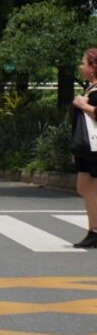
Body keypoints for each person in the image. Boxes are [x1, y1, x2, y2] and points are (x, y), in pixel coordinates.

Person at [70, 48, 97, 248]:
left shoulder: (95, 91)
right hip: (89, 147)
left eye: (84, 63)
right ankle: (93, 230)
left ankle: (94, 231)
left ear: (93, 67)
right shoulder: (91, 88)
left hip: (94, 148)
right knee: (85, 187)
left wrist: (82, 104)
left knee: (87, 187)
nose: (81, 66)